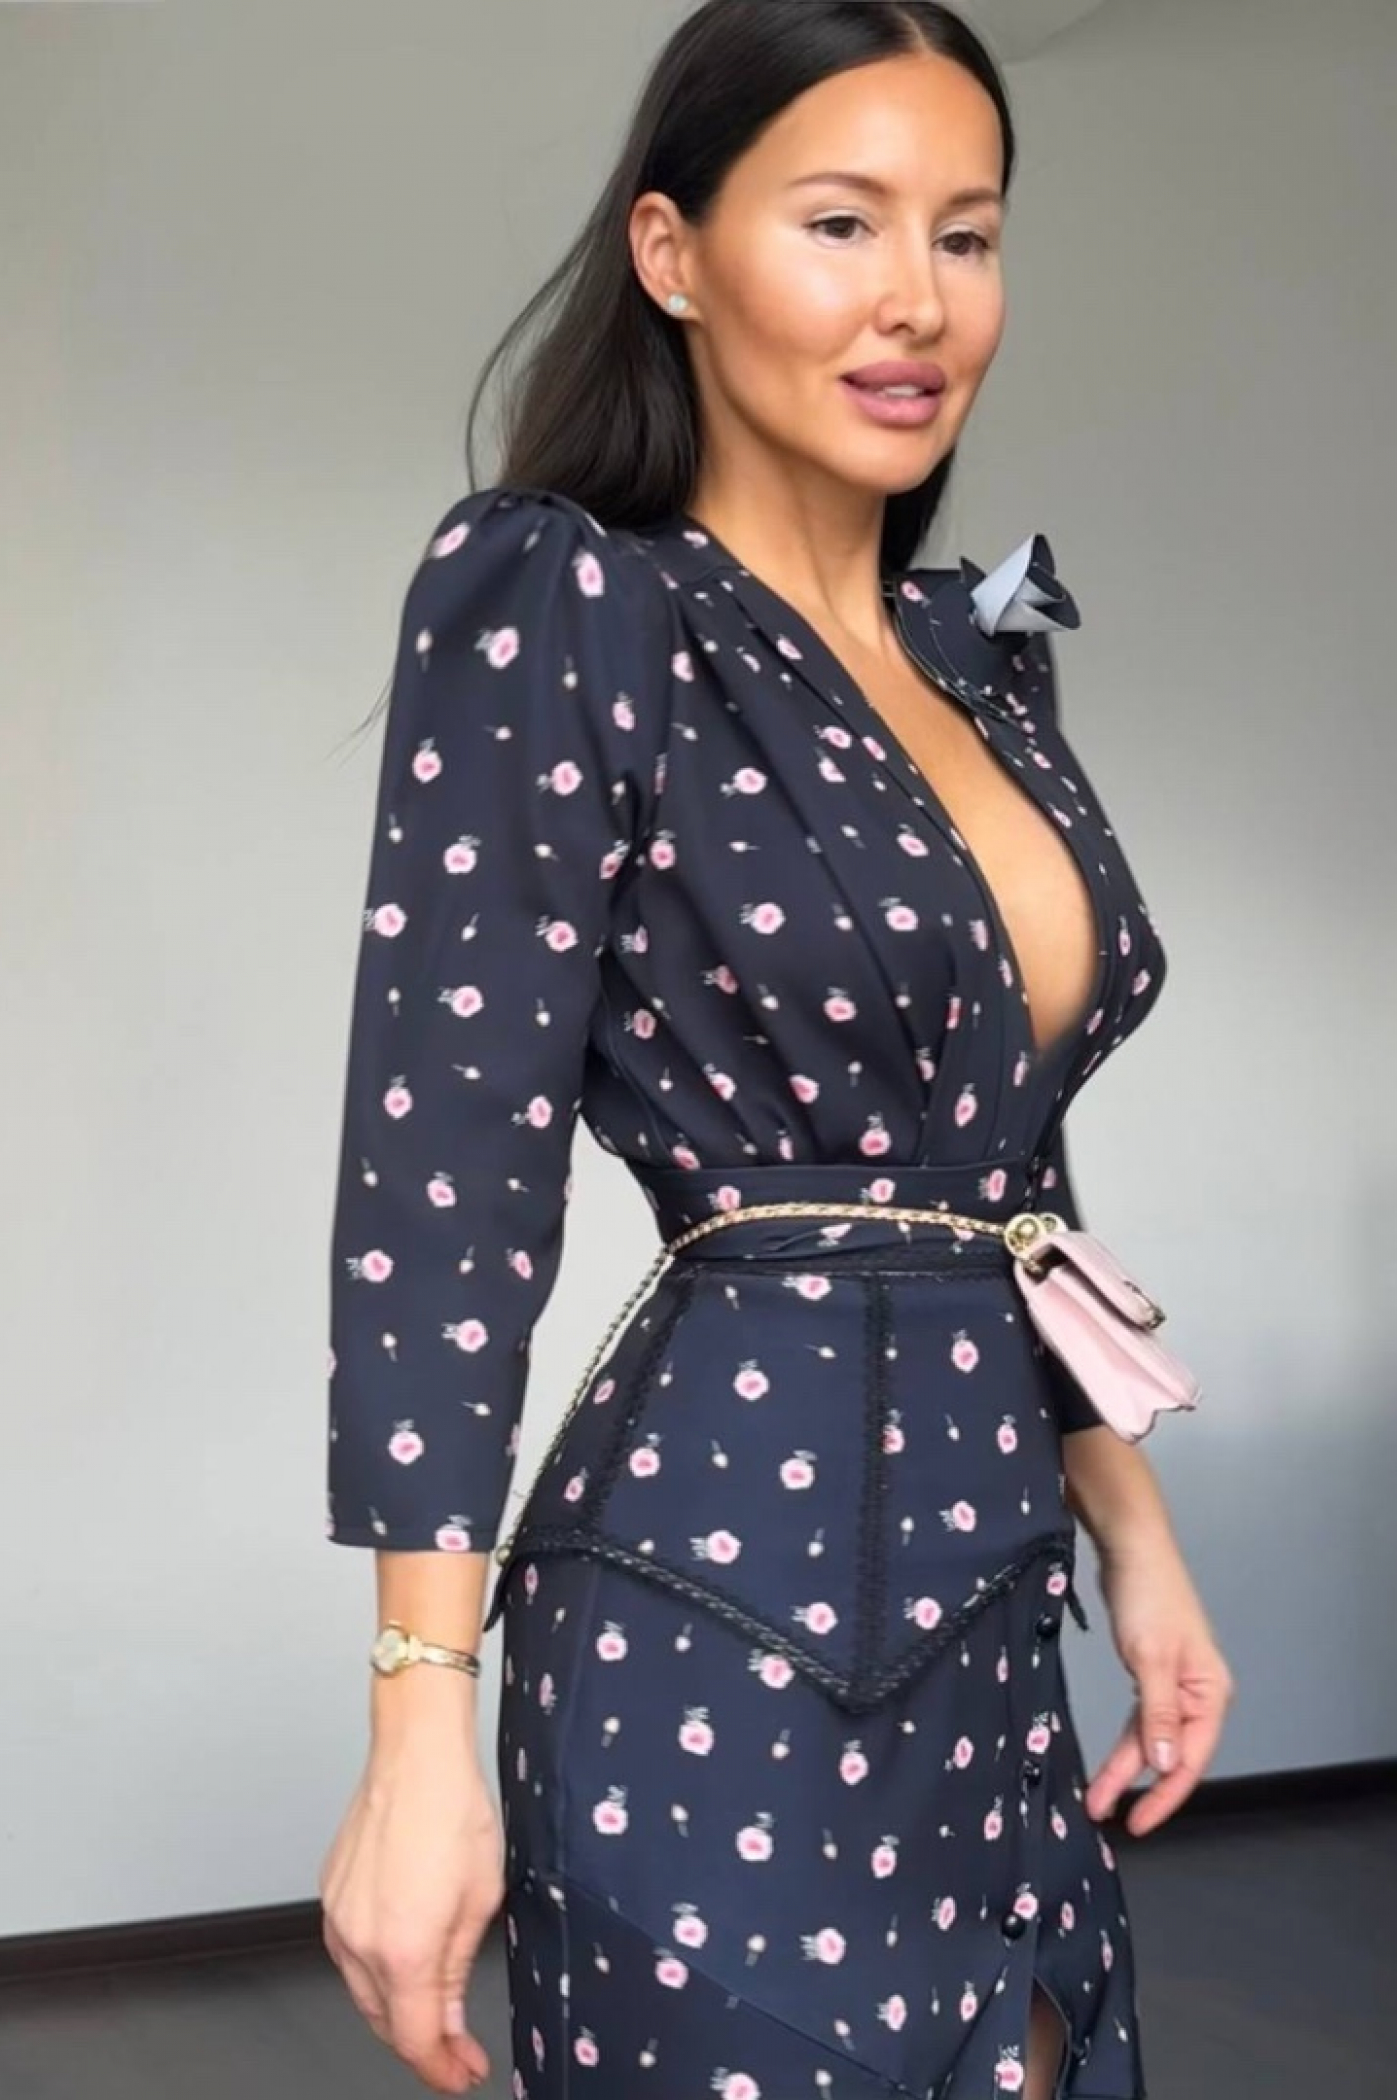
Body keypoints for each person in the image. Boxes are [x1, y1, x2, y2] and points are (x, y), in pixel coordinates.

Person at [317, 5, 1234, 2096]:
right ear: (673, 252)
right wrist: (415, 1724)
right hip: (706, 1620)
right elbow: (444, 1182)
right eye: (842, 222)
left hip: (992, 1610)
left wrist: (1135, 1535)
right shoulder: (566, 596)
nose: (919, 298)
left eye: (967, 235)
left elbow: (999, 1174)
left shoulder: (979, 663)